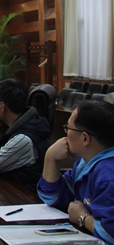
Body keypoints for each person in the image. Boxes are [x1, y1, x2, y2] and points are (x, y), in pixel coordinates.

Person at [38, 101, 114, 242]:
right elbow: (54, 197)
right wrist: (50, 158)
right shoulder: (85, 162)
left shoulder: (107, 176)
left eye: (68, 128)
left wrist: (83, 218)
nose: (65, 134)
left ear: (85, 138)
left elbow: (110, 235)